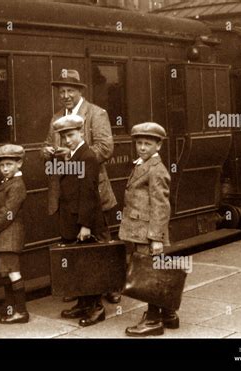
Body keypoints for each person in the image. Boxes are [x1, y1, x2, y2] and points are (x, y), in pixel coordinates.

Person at [42, 69, 120, 304]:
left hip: (90, 190)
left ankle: (111, 285)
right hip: (66, 193)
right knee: (72, 241)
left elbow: (105, 148)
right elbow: (46, 144)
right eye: (61, 91)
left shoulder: (96, 113)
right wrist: (45, 152)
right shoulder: (56, 117)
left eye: (70, 91)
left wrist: (75, 156)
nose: (65, 95)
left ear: (80, 91)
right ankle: (80, 288)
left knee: (100, 238)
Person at [118, 122, 179, 337]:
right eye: (139, 143)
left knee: (148, 275)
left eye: (147, 143)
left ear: (158, 145)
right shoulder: (143, 164)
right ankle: (169, 314)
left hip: (148, 232)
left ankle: (153, 320)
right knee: (154, 270)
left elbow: (161, 206)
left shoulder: (156, 170)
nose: (142, 147)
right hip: (141, 229)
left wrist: (156, 237)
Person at [51, 115, 109, 327]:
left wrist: (85, 225)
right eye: (64, 136)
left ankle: (97, 308)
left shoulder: (87, 157)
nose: (67, 140)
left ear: (81, 133)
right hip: (71, 219)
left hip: (82, 221)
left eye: (71, 135)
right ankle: (83, 304)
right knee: (78, 265)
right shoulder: (74, 155)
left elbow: (89, 194)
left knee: (88, 264)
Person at [0, 144, 29, 324]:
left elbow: (7, 213)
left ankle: (21, 312)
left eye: (9, 164)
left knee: (12, 272)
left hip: (10, 235)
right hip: (5, 235)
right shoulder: (8, 182)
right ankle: (10, 306)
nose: (4, 169)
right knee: (6, 272)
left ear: (20, 163)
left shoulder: (17, 185)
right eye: (2, 166)